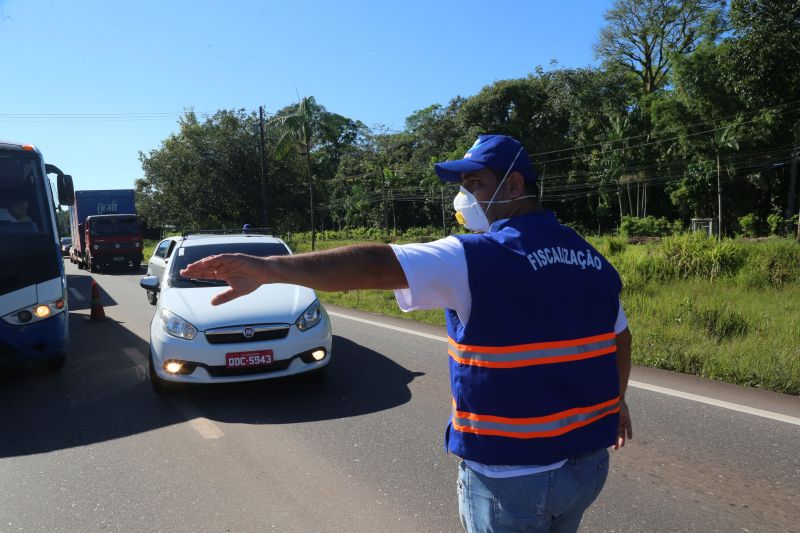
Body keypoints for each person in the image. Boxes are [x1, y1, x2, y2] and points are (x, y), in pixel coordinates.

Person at [181, 134, 633, 533]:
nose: (464, 197)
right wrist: (618, 402)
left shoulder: (477, 256)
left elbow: (377, 265)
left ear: (514, 186)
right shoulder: (590, 257)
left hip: (511, 478)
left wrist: (269, 269)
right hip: (587, 466)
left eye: (475, 184)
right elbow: (620, 337)